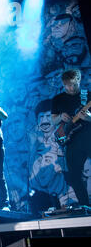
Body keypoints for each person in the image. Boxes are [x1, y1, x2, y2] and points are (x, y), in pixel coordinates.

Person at [51, 69, 91, 206]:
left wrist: (90, 118)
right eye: (67, 85)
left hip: (89, 138)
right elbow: (53, 120)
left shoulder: (88, 95)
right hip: (72, 141)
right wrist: (60, 117)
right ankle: (86, 207)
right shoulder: (58, 99)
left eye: (73, 84)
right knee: (74, 177)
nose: (71, 88)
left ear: (79, 80)